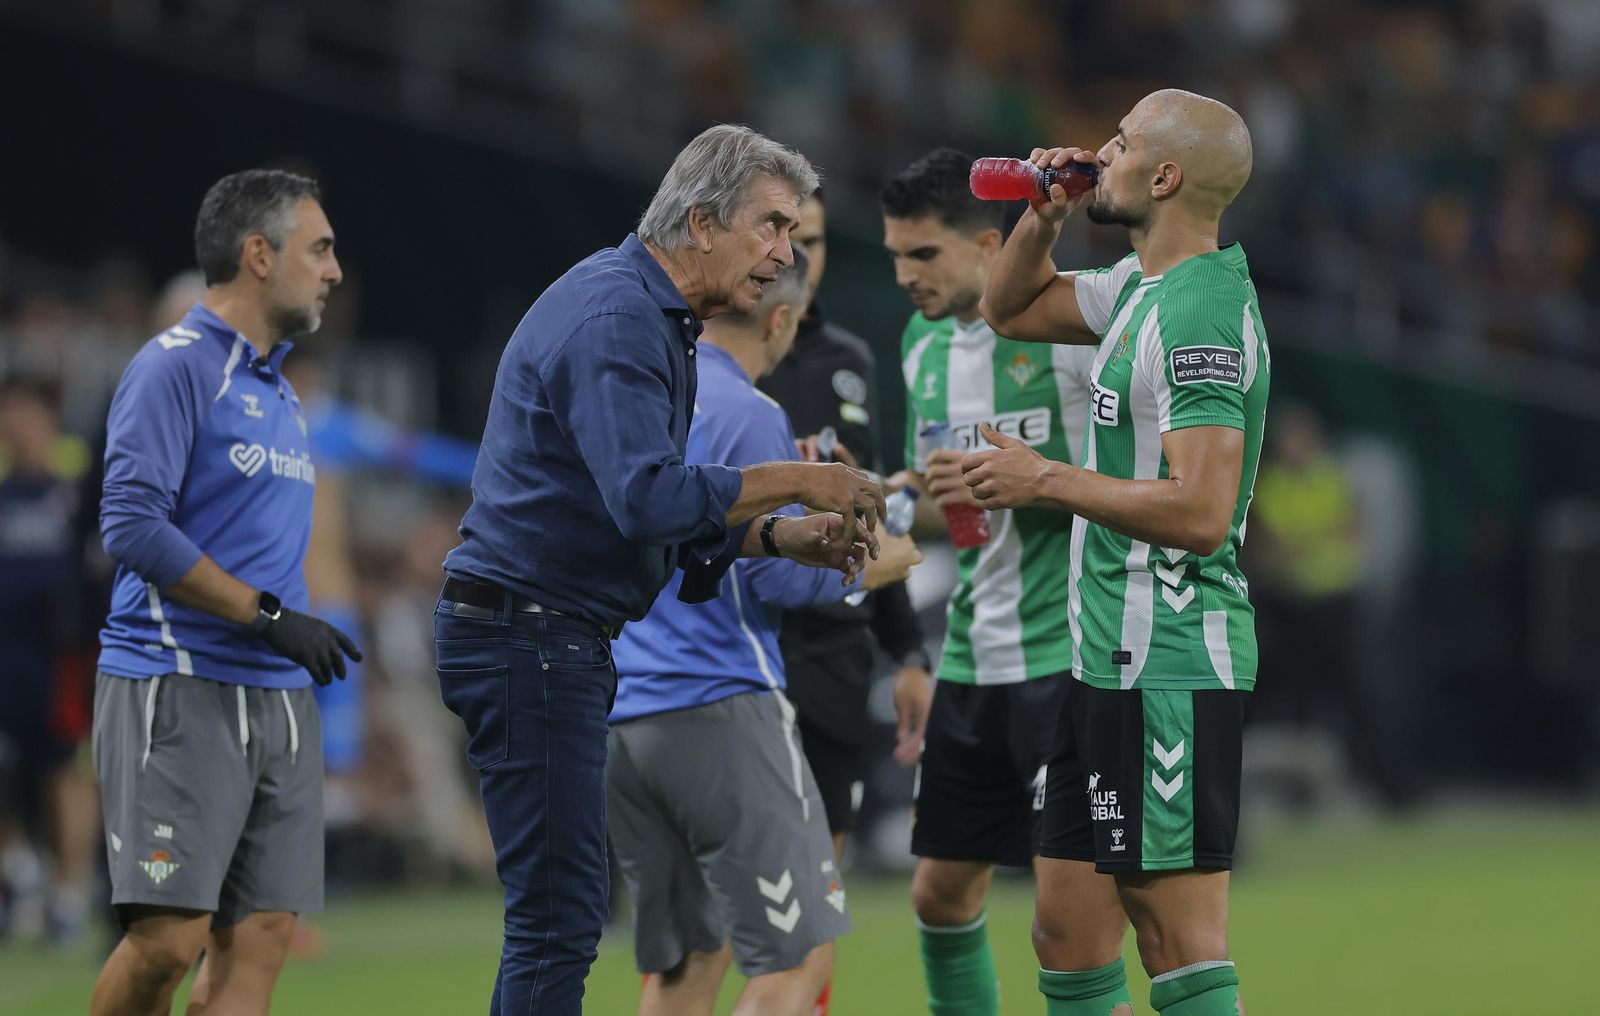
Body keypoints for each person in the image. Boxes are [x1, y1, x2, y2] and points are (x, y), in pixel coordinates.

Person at [436, 123, 886, 1016]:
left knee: (568, 926)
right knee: (556, 925)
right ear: (702, 220)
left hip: (549, 636)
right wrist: (804, 479)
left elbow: (640, 523)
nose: (785, 255)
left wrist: (781, 539)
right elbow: (647, 497)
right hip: (530, 634)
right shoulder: (618, 318)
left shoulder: (651, 317)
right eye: (772, 227)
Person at [967, 88, 1267, 1016]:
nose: (1099, 151)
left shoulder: (1200, 314)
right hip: (1102, 655)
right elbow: (1007, 309)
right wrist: (1041, 220)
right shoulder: (1142, 286)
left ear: (1166, 176)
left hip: (1169, 653)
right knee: (1064, 930)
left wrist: (1044, 480)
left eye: (1123, 141)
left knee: (1173, 939)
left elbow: (1203, 511)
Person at [607, 247, 923, 1016]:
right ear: (778, 319)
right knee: (797, 960)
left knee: (685, 968)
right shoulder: (753, 413)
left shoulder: (646, 395)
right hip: (720, 704)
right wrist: (882, 562)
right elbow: (778, 574)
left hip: (622, 716)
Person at [90, 169, 362, 1016]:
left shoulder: (280, 391)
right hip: (178, 683)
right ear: (258, 255)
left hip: (279, 697)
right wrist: (267, 616)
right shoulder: (173, 366)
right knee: (165, 944)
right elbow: (130, 525)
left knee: (259, 948)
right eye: (318, 249)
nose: (334, 271)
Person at [879, 147, 1097, 1016]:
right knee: (937, 894)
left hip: (1070, 652)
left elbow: (1123, 477)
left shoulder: (1075, 324)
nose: (903, 276)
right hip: (973, 656)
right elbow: (939, 513)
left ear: (985, 243)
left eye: (922, 255)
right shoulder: (921, 345)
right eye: (894, 256)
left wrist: (1029, 475)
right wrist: (910, 498)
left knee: (1065, 923)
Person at [756, 185, 931, 858]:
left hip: (835, 646)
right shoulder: (708, 358)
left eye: (817, 240)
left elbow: (875, 507)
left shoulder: (848, 360)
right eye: (787, 235)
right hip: (747, 641)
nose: (801, 255)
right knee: (739, 889)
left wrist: (909, 652)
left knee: (820, 878)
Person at [0, 375, 98, 946]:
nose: (16, 424)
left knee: (67, 773)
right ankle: (21, 871)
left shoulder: (75, 483)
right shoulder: (4, 490)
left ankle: (67, 895)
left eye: (25, 412)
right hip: (5, 656)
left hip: (61, 658)